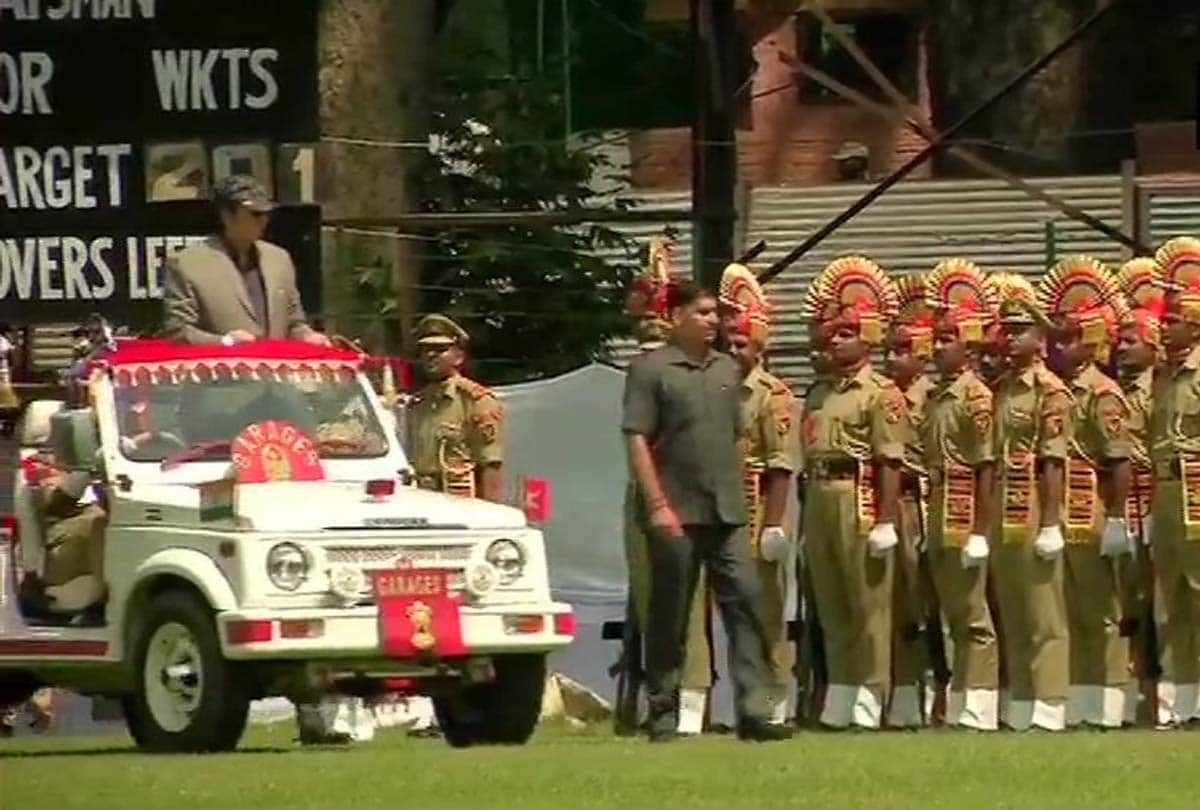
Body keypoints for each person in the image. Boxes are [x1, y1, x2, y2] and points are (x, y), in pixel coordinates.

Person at [621, 279, 787, 743]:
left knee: (748, 603)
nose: (715, 320)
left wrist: (740, 496)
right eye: (705, 312)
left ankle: (754, 709)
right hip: (675, 509)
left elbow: (737, 438)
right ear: (676, 318)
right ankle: (662, 710)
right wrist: (656, 505)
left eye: (717, 313)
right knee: (670, 613)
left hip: (726, 511)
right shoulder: (651, 370)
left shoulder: (727, 370)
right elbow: (637, 438)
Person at [799, 255, 908, 730]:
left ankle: (870, 694)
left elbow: (889, 460)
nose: (835, 340)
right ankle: (840, 693)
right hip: (820, 495)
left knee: (869, 605)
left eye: (846, 333)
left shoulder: (881, 393)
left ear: (868, 338)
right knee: (832, 600)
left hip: (859, 496)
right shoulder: (819, 393)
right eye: (832, 333)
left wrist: (886, 519)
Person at [1038, 256, 1134, 729]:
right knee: (1070, 607)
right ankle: (1079, 696)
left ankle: (1111, 697)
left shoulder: (1103, 393)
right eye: (1059, 338)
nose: (1062, 346)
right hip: (1061, 506)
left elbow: (1119, 459)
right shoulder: (1057, 389)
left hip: (1091, 502)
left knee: (1101, 609)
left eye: (1073, 338)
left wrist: (1116, 517)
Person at [624, 240, 713, 735]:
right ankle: (659, 698)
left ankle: (689, 703)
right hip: (641, 497)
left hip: (677, 497)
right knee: (651, 599)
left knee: (686, 605)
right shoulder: (642, 376)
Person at [987, 271, 1072, 732]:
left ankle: (1050, 701)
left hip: (1036, 500)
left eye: (1019, 329)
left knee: (1044, 610)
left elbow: (1052, 459)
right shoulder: (1002, 387)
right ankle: (1021, 700)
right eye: (1007, 329)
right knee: (1013, 605)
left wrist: (1052, 523)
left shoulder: (1050, 391)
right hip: (1005, 498)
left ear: (1040, 338)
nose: (1009, 337)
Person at [923, 258, 1001, 730]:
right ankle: (960, 698)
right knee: (952, 611)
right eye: (936, 338)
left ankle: (980, 702)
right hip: (938, 503)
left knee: (973, 613)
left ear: (968, 346)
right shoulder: (937, 395)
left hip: (964, 504)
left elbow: (985, 465)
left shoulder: (975, 397)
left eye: (947, 339)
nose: (937, 347)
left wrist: (980, 530)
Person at [719, 263, 797, 727]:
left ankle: (774, 701)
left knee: (766, 614)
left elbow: (780, 464)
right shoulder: (716, 389)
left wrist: (773, 524)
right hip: (723, 512)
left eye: (740, 343)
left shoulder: (773, 395)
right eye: (728, 342)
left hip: (759, 512)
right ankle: (741, 702)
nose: (733, 350)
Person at [163, 174, 330, 347]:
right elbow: (177, 331)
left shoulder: (279, 259)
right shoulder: (189, 263)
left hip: (275, 369)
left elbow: (293, 323)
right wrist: (224, 342)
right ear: (227, 215)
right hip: (223, 369)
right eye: (255, 214)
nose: (264, 220)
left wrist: (307, 336)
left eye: (267, 213)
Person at [1148, 236, 1200, 727]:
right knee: (1176, 598)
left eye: (1172, 321)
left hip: (1198, 487)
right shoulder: (1163, 376)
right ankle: (1187, 696)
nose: (1163, 329)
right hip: (1167, 490)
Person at [882, 273, 936, 728]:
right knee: (896, 603)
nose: (891, 358)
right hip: (889, 504)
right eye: (888, 349)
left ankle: (936, 690)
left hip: (922, 503)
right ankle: (902, 695)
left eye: (901, 349)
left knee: (926, 602)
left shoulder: (932, 398)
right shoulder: (885, 397)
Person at [1114, 256, 1164, 724]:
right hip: (1127, 508)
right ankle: (1139, 697)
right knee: (1130, 606)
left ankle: (1167, 698)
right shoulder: (1122, 392)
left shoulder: (1160, 390)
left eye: (1131, 341)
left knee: (1166, 606)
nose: (1121, 349)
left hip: (1160, 502)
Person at [406, 314, 504, 503]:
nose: (430, 355)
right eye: (425, 350)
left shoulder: (475, 401)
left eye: (440, 349)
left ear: (458, 357)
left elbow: (490, 464)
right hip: (421, 501)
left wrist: (490, 515)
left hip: (459, 502)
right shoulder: (418, 403)